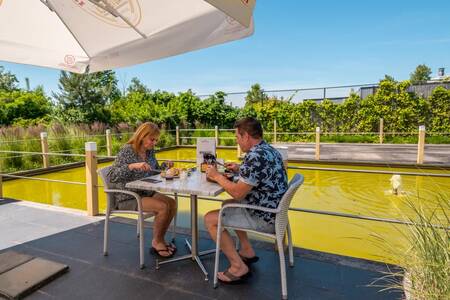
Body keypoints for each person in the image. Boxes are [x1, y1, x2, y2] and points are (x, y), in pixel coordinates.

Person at [204, 117, 288, 283]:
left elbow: (238, 193)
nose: (237, 141)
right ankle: (247, 250)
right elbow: (260, 174)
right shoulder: (268, 150)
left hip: (264, 217)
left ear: (246, 136)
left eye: (237, 137)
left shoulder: (255, 156)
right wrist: (240, 168)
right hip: (274, 212)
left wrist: (216, 176)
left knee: (210, 219)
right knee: (227, 205)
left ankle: (238, 267)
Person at [108, 122, 177, 258]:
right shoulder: (127, 150)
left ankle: (160, 239)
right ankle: (157, 242)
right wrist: (132, 166)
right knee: (163, 207)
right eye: (152, 139)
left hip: (145, 191)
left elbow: (153, 170)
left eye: (156, 140)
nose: (154, 143)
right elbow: (112, 176)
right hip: (128, 196)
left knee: (172, 203)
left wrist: (164, 166)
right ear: (142, 136)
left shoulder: (150, 151)